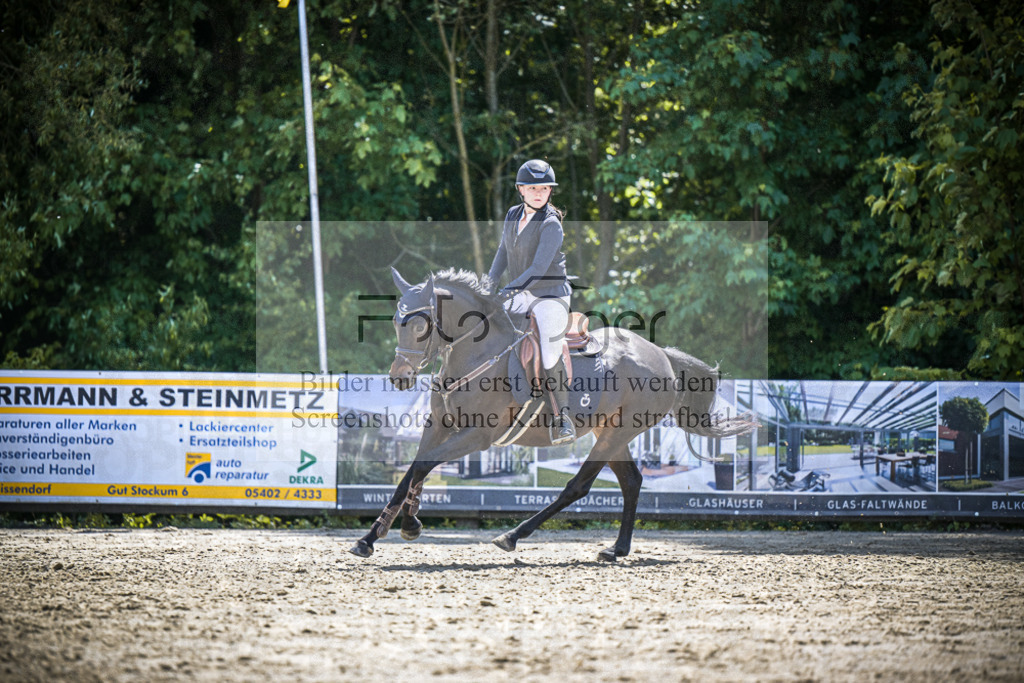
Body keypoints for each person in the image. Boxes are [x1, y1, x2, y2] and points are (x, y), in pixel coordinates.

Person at [487, 159, 575, 445]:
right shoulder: (513, 214)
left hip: (550, 295)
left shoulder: (551, 225)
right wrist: (489, 286)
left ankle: (564, 419)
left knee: (549, 352)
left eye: (545, 188)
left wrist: (509, 289)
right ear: (520, 190)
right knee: (487, 324)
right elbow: (502, 252)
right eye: (533, 188)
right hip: (522, 291)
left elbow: (538, 269)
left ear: (550, 192)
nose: (539, 193)